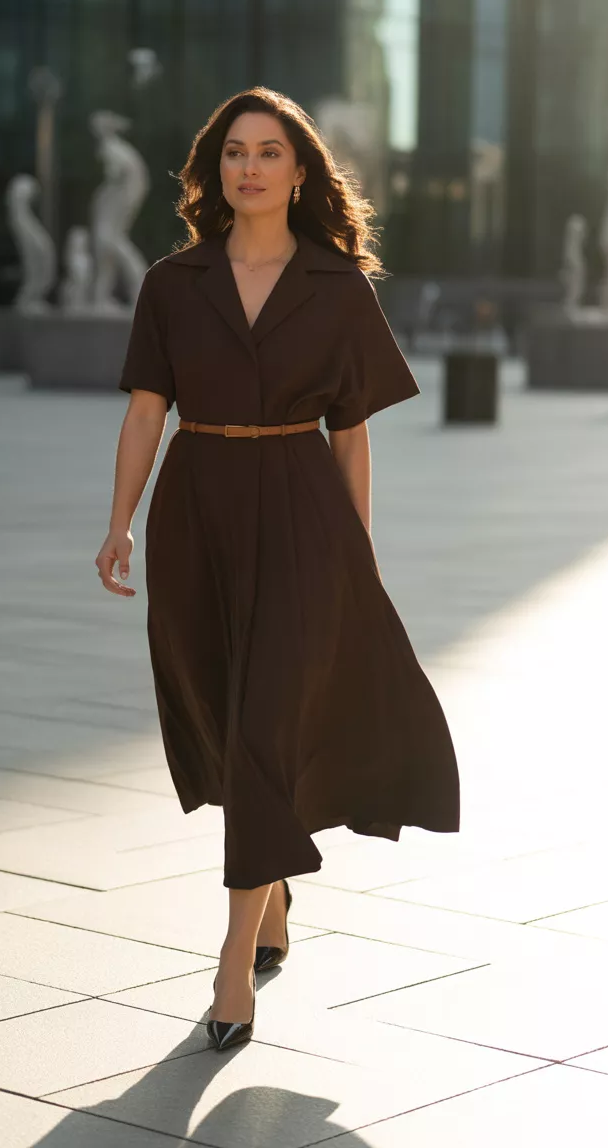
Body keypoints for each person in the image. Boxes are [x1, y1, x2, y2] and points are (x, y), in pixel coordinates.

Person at [95, 87, 460, 1051]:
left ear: (302, 172)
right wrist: (120, 522)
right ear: (215, 172)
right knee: (220, 718)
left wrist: (359, 558)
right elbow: (145, 413)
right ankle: (275, 890)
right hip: (199, 507)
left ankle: (229, 973)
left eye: (269, 152)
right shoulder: (174, 282)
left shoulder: (339, 287)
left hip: (303, 515)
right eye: (233, 154)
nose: (249, 168)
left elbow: (353, 438)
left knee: (265, 726)